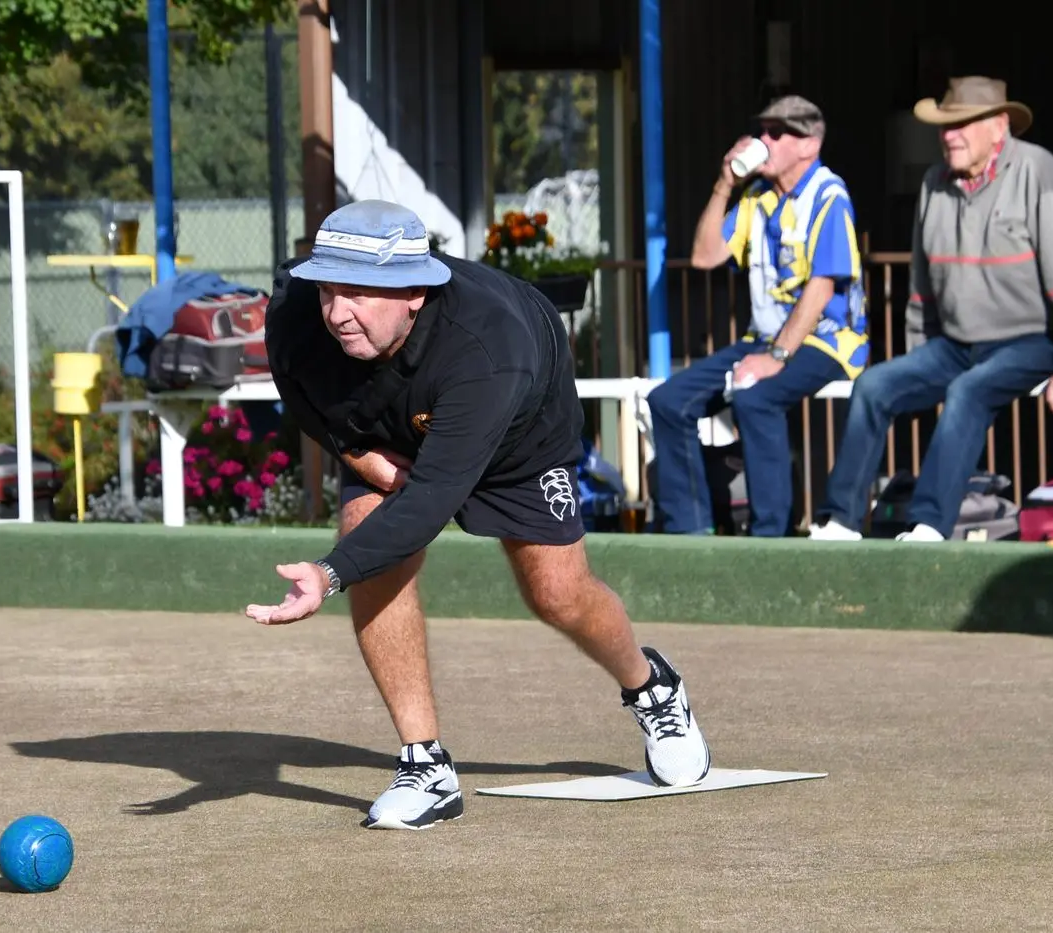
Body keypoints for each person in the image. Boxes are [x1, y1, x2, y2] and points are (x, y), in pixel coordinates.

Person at [244, 199, 711, 831]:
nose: (336, 312)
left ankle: (652, 687)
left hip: (519, 427)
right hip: (385, 416)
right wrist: (356, 453)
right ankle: (425, 765)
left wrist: (328, 575)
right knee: (367, 536)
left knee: (558, 594)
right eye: (328, 289)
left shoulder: (489, 350)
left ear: (413, 293)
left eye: (356, 293)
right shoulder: (300, 309)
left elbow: (433, 498)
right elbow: (297, 386)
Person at [811, 77, 1053, 542]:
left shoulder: (1039, 171)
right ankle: (841, 522)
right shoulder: (933, 182)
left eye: (962, 124)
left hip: (1030, 341)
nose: (949, 135)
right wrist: (918, 360)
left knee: (968, 391)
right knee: (872, 386)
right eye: (945, 126)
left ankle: (929, 524)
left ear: (999, 127)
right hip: (953, 345)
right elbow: (922, 287)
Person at [647, 95, 867, 537]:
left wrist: (777, 357)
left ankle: (770, 537)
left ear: (809, 145)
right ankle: (689, 533)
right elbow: (705, 257)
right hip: (764, 340)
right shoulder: (757, 197)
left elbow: (823, 287)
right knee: (667, 402)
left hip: (828, 341)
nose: (764, 139)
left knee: (756, 398)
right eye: (762, 130)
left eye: (777, 132)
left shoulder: (829, 195)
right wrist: (724, 184)